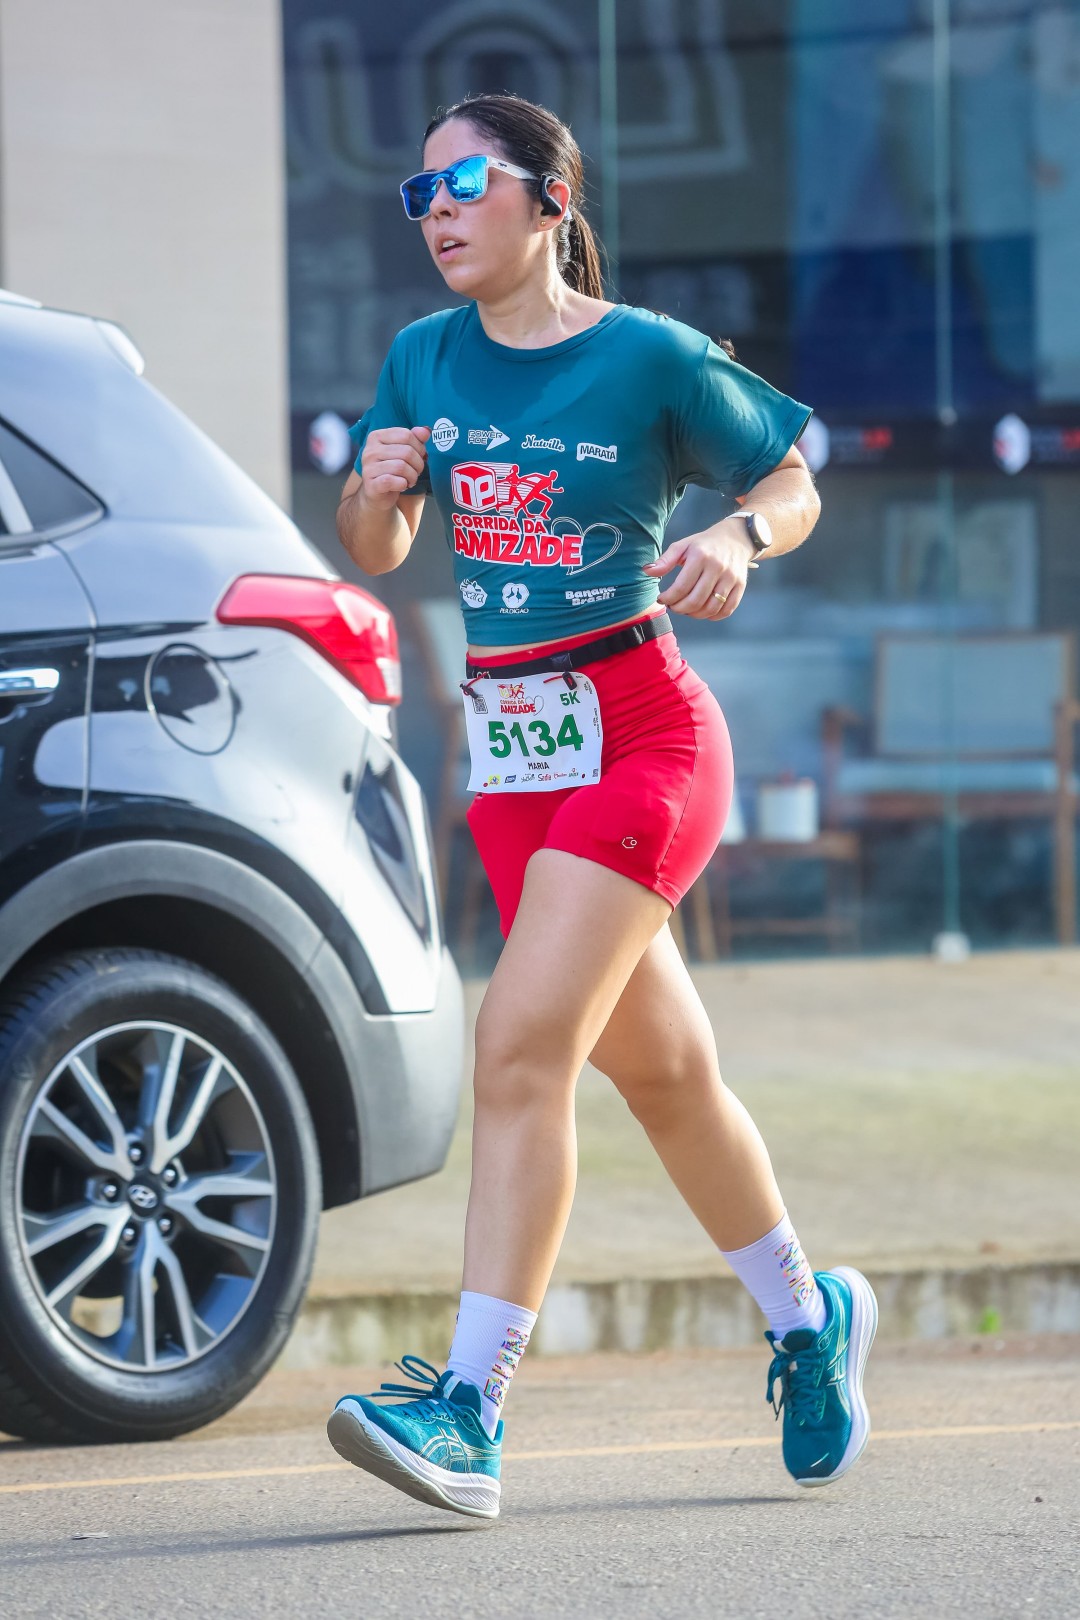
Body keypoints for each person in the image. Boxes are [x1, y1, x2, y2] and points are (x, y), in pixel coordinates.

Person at [327, 93, 877, 1521]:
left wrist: (739, 535)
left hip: (643, 737)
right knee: (669, 1078)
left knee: (518, 1047)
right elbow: (376, 544)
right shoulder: (421, 357)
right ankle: (812, 1320)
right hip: (517, 767)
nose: (438, 213)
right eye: (419, 194)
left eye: (464, 183)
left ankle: (470, 1410)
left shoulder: (649, 357)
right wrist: (377, 491)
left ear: (550, 199)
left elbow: (794, 480)